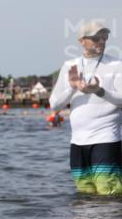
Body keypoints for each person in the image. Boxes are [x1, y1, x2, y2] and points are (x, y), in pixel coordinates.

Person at [49, 20, 122, 195]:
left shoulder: (117, 65)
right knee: (84, 191)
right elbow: (55, 104)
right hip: (77, 141)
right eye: (97, 38)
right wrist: (72, 87)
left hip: (106, 138)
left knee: (108, 190)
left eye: (105, 37)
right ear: (82, 40)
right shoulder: (69, 66)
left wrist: (99, 90)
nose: (102, 41)